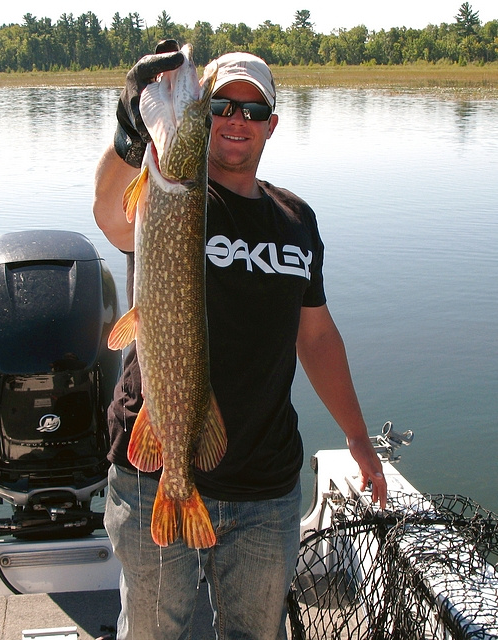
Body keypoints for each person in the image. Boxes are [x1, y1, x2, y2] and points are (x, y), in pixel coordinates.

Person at [93, 41, 387, 640]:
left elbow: (318, 336)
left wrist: (358, 438)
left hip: (264, 483)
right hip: (154, 478)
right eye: (220, 105)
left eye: (253, 112)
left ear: (271, 126)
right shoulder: (167, 197)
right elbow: (109, 215)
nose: (235, 121)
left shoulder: (295, 220)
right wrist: (129, 136)